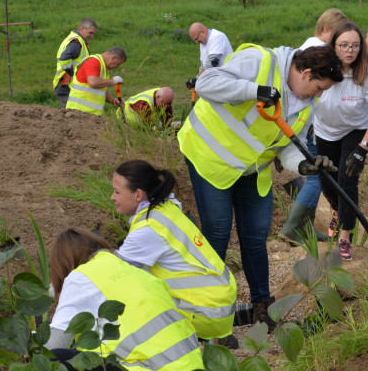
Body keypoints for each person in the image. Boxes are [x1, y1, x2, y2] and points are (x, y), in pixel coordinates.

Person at [177, 44, 344, 329]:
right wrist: (254, 91)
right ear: (306, 73)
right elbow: (206, 83)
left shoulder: (308, 105)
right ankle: (209, 315)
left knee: (255, 237)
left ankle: (261, 307)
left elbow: (287, 146)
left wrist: (304, 165)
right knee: (217, 234)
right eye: (319, 88)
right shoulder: (260, 61)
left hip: (252, 169)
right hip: (211, 157)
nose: (319, 95)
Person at [110, 159, 237, 345]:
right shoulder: (167, 208)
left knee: (129, 291)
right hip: (220, 305)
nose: (112, 197)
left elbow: (112, 275)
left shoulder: (148, 229)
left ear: (138, 195)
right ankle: (215, 338)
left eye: (117, 192)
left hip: (208, 314)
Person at [47, 227, 204, 371]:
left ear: (63, 264)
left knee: (56, 357)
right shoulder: (134, 270)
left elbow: (54, 344)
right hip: (192, 365)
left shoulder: (80, 277)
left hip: (146, 368)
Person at [317, 22, 368, 261]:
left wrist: (363, 148)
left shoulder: (367, 73)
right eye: (344, 45)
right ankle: (337, 211)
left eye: (355, 46)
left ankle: (345, 235)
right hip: (325, 131)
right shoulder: (322, 68)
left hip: (355, 130)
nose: (350, 50)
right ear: (333, 46)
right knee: (327, 183)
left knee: (347, 181)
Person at [281, 8, 351, 245]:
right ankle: (293, 228)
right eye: (338, 36)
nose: (341, 43)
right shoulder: (318, 50)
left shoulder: (312, 47)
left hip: (306, 124)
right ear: (326, 29)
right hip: (308, 126)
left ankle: (306, 227)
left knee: (315, 175)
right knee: (316, 176)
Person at [66, 46, 126, 116]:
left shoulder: (102, 67)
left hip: (90, 114)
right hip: (78, 112)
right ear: (113, 58)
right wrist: (113, 81)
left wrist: (113, 101)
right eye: (117, 64)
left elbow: (101, 89)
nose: (117, 67)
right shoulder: (93, 61)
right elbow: (93, 83)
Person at [53, 18, 97, 108]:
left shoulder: (74, 39)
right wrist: (70, 73)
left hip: (68, 86)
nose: (92, 36)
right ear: (83, 28)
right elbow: (64, 58)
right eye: (90, 33)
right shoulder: (76, 42)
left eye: (93, 34)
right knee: (73, 114)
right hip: (67, 85)